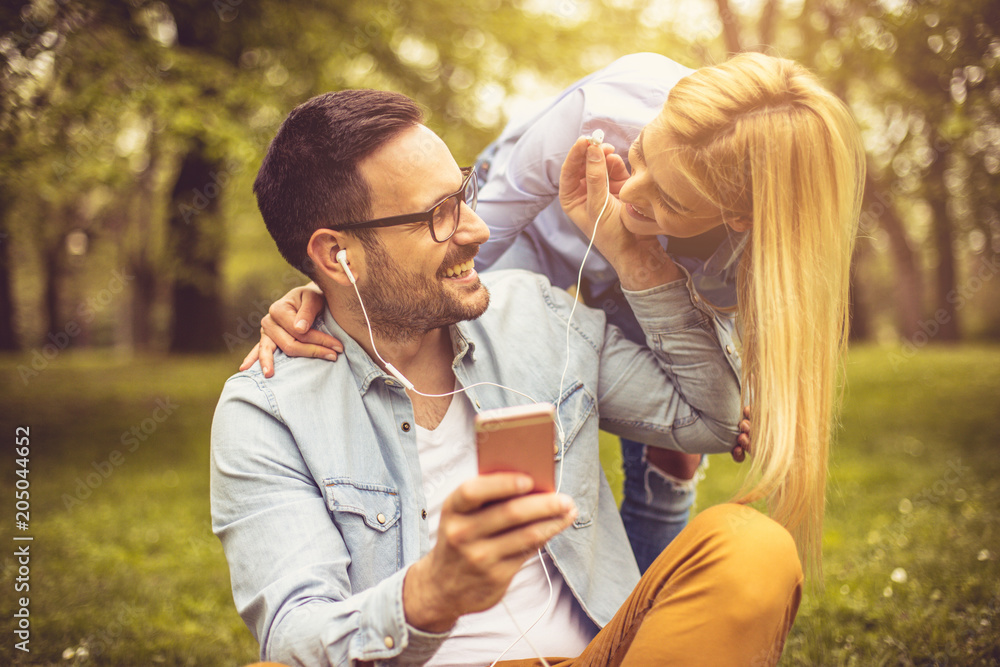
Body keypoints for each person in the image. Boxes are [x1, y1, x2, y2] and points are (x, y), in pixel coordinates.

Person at [212, 86, 801, 666]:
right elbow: (292, 633)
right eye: (436, 216)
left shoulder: (532, 313)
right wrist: (431, 593)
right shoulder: (268, 410)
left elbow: (712, 421)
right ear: (336, 255)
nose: (476, 230)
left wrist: (634, 255)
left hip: (596, 656)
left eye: (462, 194)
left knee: (753, 547)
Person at [247, 53, 738, 570]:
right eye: (637, 158)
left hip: (658, 262)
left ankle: (632, 625)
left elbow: (728, 403)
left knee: (676, 456)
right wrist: (336, 289)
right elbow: (482, 231)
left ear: (739, 214)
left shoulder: (761, 242)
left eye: (672, 198)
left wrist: (641, 264)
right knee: (481, 354)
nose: (632, 190)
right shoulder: (599, 114)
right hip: (538, 237)